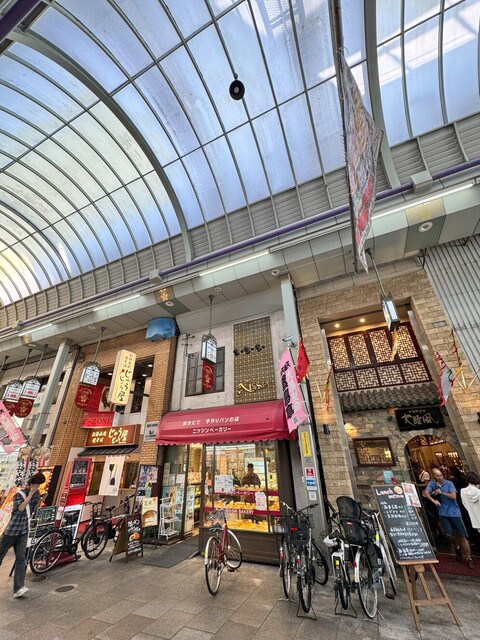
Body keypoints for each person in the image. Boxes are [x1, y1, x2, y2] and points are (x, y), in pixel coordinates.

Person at [0, 472, 45, 598]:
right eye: (36, 484)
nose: (37, 487)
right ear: (31, 483)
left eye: (39, 485)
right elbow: (20, 508)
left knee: (21, 559)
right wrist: (30, 495)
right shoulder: (19, 494)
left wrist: (40, 499)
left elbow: (34, 509)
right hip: (11, 531)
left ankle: (18, 588)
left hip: (24, 531)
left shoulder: (36, 494)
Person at [426, 467, 474, 569]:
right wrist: (433, 500)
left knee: (462, 536)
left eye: (441, 475)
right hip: (442, 513)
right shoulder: (432, 484)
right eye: (438, 476)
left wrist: (441, 493)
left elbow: (453, 496)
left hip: (454, 513)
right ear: (434, 476)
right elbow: (426, 493)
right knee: (448, 534)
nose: (440, 477)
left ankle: (469, 558)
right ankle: (457, 546)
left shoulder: (449, 483)